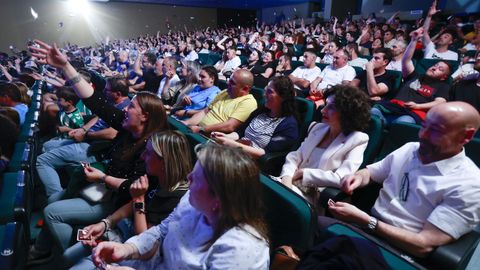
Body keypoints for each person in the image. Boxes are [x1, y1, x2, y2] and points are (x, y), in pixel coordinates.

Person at [27, 40, 168, 265]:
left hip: (114, 202)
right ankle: (52, 248)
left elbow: (133, 187)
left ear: (145, 116)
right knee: (54, 200)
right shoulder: (127, 127)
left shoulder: (151, 146)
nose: (126, 109)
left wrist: (102, 177)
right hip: (101, 188)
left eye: (132, 107)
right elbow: (95, 101)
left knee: (52, 210)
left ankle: (77, 252)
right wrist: (65, 66)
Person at [330, 101, 480, 258]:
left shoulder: (470, 184)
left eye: (435, 130)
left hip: (399, 253)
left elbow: (423, 245)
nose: (422, 135)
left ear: (466, 136)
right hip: (366, 231)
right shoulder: (411, 148)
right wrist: (357, 177)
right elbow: (371, 173)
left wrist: (367, 221)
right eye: (423, 125)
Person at [91, 144, 270, 269]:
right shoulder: (191, 202)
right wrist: (127, 249)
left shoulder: (241, 250)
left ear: (219, 199)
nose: (189, 177)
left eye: (197, 178)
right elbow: (161, 232)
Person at [65, 131, 192, 269]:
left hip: (136, 253)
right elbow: (130, 205)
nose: (143, 157)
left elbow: (144, 241)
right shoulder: (155, 176)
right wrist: (105, 223)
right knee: (68, 255)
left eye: (148, 153)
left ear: (165, 161)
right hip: (120, 232)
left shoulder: (177, 198)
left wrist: (139, 199)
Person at [279, 85, 371, 204]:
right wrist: (286, 178)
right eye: (326, 104)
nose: (323, 110)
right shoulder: (317, 127)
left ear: (347, 113)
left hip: (312, 194)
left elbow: (342, 178)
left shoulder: (358, 139)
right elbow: (295, 157)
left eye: (331, 107)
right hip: (290, 183)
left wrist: (304, 173)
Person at [371, 28, 451, 124]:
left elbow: (440, 102)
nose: (434, 68)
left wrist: (418, 106)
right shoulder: (415, 76)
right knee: (372, 113)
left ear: (444, 77)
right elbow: (406, 60)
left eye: (440, 69)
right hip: (393, 106)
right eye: (435, 65)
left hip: (413, 112)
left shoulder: (443, 86)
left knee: (403, 122)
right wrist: (413, 40)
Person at [211, 76, 299, 159]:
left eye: (269, 92)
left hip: (251, 163)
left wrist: (233, 144)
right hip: (236, 152)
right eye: (265, 91)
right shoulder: (261, 111)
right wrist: (226, 137)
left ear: (283, 97)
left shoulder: (289, 125)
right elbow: (240, 132)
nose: (264, 95)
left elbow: (265, 154)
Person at [183, 69, 257, 135]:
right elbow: (205, 112)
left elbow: (230, 126)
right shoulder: (225, 92)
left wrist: (202, 129)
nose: (228, 83)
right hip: (198, 130)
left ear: (245, 88)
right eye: (229, 80)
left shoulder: (248, 102)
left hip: (212, 139)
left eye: (232, 83)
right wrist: (187, 123)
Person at [42, 87, 84, 152]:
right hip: (61, 137)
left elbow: (82, 134)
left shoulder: (76, 118)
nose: (57, 102)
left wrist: (68, 129)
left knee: (44, 149)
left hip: (69, 142)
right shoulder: (63, 110)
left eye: (59, 100)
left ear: (69, 103)